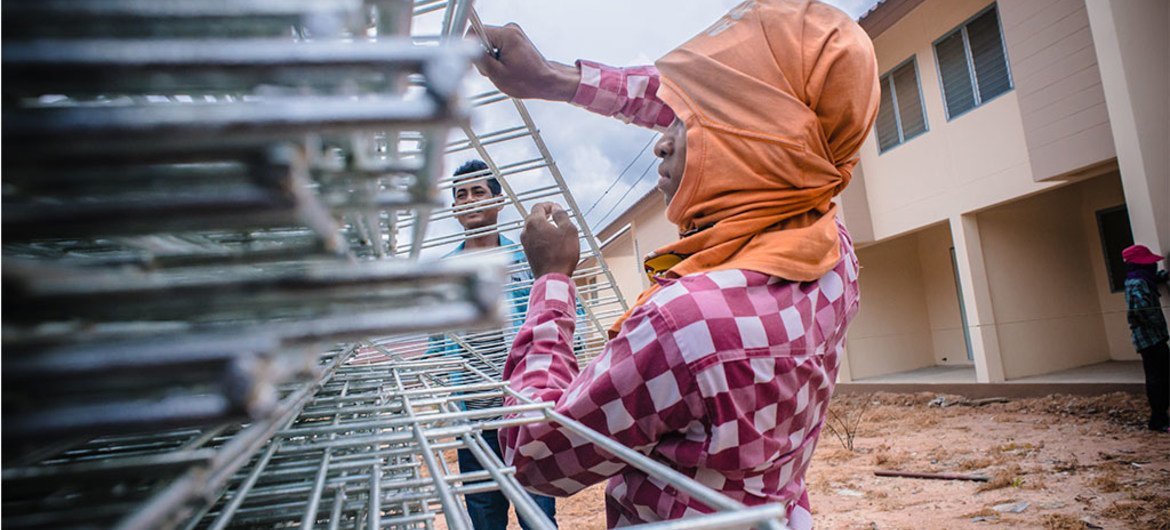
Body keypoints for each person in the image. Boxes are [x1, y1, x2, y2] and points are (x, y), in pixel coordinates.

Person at [476, 1, 880, 528]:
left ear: (757, 139)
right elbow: (739, 111)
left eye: (694, 121)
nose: (660, 141)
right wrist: (553, 78)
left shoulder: (685, 324)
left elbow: (534, 455)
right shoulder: (832, 253)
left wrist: (552, 281)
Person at [428, 159, 558, 529]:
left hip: (524, 416)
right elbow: (437, 344)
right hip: (473, 424)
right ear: (454, 208)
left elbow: (565, 316)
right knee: (484, 519)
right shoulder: (445, 274)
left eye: (478, 191)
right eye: (461, 194)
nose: (469, 200)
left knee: (539, 517)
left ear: (499, 201)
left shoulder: (527, 259)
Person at [1121, 244, 1169, 432]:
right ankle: (1159, 420)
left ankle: (1161, 417)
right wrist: (1155, 324)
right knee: (1158, 378)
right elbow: (1139, 309)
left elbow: (1153, 280)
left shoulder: (1140, 279)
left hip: (1152, 337)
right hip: (1150, 339)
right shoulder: (1136, 282)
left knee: (1161, 375)